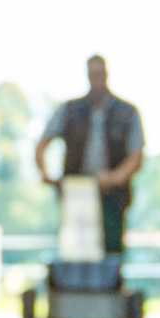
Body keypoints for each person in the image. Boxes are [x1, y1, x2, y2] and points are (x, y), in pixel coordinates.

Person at [34, 55, 145, 255]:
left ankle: (110, 285)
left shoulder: (127, 112)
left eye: (99, 74)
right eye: (92, 74)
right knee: (74, 250)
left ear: (106, 74)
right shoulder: (70, 110)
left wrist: (114, 178)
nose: (96, 79)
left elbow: (136, 156)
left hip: (112, 197)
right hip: (75, 193)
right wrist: (45, 173)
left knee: (111, 251)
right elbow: (42, 144)